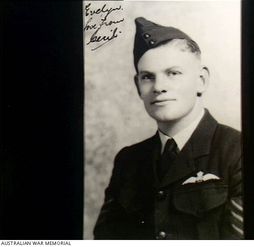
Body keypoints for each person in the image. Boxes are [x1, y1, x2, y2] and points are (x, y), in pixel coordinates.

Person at [93, 17, 243, 240]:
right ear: (138, 86)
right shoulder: (128, 161)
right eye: (147, 77)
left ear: (201, 80)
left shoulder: (237, 150)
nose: (159, 87)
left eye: (173, 73)